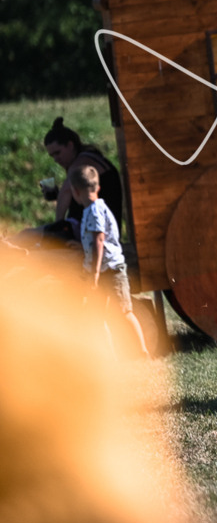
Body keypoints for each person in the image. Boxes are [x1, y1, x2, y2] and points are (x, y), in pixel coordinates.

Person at [69, 165, 149, 358]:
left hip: (111, 271)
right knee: (99, 315)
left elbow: (99, 239)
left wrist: (94, 273)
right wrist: (80, 247)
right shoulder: (92, 209)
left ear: (75, 191)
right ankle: (108, 356)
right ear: (97, 188)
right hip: (101, 270)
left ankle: (143, 351)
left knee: (124, 311)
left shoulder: (94, 210)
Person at [39, 117, 124, 245]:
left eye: (58, 153)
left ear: (70, 145)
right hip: (93, 229)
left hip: (96, 232)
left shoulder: (82, 162)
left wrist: (57, 230)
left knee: (27, 236)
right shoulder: (86, 159)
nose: (56, 159)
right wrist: (57, 194)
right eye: (52, 156)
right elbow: (81, 195)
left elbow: (67, 191)